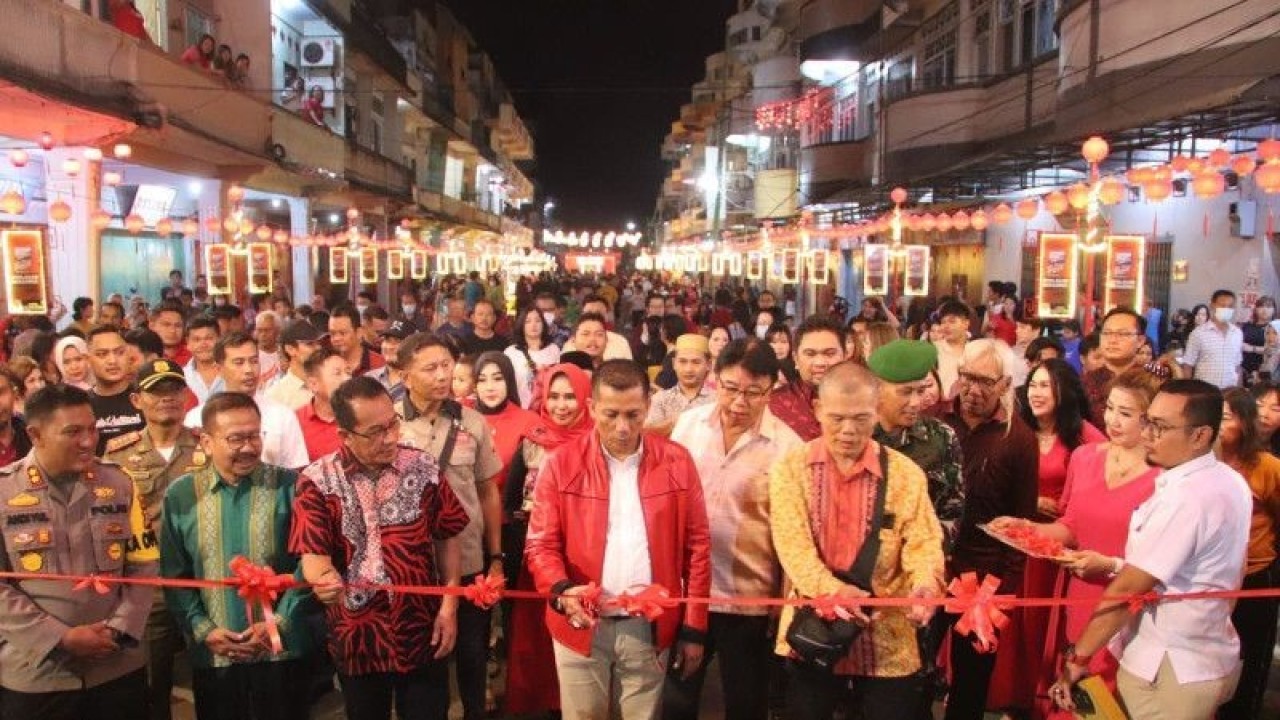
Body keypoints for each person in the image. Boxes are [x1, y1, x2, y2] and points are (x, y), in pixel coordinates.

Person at [1050, 380, 1251, 720]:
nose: (1148, 434)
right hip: (1206, 653)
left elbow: (1132, 587)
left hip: (1168, 666)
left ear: (1200, 436)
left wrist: (1078, 659)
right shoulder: (1226, 481)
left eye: (1160, 426)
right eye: (1148, 421)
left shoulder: (1186, 498)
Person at [525, 359, 711, 720]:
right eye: (611, 414)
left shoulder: (677, 462)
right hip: (580, 623)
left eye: (633, 415)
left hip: (649, 624)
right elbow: (541, 544)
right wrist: (562, 590)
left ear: (647, 409)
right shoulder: (562, 463)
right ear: (592, 408)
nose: (623, 428)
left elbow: (698, 548)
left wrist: (695, 627)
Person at [770, 361, 945, 720]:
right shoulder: (790, 469)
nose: (848, 430)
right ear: (818, 409)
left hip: (888, 635)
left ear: (877, 410)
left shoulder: (906, 475)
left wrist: (926, 584)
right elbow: (792, 546)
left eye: (861, 419)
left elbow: (923, 542)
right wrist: (831, 590)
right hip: (817, 628)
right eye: (836, 418)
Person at [290, 377, 470, 720]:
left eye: (392, 425)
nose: (389, 438)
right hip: (357, 636)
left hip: (422, 627)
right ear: (345, 435)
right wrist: (324, 582)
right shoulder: (316, 482)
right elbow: (314, 560)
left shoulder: (423, 467)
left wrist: (449, 607)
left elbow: (447, 537)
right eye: (374, 432)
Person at [663, 340, 803, 720]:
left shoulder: (788, 448)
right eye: (730, 388)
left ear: (771, 388)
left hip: (749, 596)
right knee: (677, 698)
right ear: (716, 380)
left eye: (753, 393)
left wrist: (784, 601)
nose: (739, 402)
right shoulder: (690, 425)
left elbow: (793, 534)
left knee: (745, 702)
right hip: (689, 590)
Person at [0, 384, 157, 719]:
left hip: (117, 665)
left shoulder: (120, 484)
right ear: (36, 434)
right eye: (73, 432)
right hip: (37, 672)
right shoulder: (3, 492)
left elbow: (144, 565)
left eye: (92, 430)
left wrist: (119, 628)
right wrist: (60, 638)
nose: (88, 441)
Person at [159, 392, 312, 720]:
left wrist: (280, 624)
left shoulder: (292, 487)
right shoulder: (181, 495)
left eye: (254, 435)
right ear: (206, 441)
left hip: (282, 654)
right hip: (215, 655)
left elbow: (308, 565)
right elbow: (175, 575)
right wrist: (203, 630)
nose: (248, 447)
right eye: (235, 438)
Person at [396, 334, 504, 720]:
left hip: (471, 559)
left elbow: (487, 491)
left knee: (474, 656)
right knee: (425, 664)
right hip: (413, 565)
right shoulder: (389, 423)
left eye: (447, 366)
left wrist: (496, 556)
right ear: (406, 375)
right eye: (430, 368)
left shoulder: (471, 422)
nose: (443, 375)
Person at [103, 358, 205, 720]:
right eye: (156, 392)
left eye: (175, 390)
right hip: (151, 588)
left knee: (212, 680)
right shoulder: (117, 454)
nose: (167, 399)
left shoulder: (205, 446)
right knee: (152, 685)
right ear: (136, 401)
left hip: (202, 582)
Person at [942, 339, 1038, 720]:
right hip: (932, 567)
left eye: (985, 381)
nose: (973, 389)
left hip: (983, 579)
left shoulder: (1018, 438)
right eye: (967, 377)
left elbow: (1022, 521)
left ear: (1005, 385)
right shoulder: (938, 422)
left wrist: (1003, 587)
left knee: (972, 679)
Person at [502, 363, 594, 717]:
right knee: (535, 641)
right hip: (538, 559)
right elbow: (511, 504)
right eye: (553, 396)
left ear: (586, 398)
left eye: (570, 396)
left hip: (584, 559)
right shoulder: (532, 442)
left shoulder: (598, 442)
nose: (561, 405)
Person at [1215, 387, 1280, 720]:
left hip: (1255, 575)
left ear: (1245, 423)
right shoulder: (1203, 463)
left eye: (1226, 417)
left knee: (1250, 658)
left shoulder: (1267, 467)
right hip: (1212, 578)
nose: (1218, 424)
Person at [184, 333, 309, 470]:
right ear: (219, 369)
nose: (249, 370)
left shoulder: (282, 415)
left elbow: (297, 469)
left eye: (254, 361)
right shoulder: (196, 418)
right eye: (239, 363)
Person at [769, 315, 846, 441]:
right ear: (795, 358)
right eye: (810, 354)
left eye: (829, 353)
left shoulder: (863, 401)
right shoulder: (774, 405)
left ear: (845, 355)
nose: (820, 362)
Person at [85, 325, 145, 455]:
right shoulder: (81, 405)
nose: (112, 361)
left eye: (120, 352)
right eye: (102, 354)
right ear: (87, 359)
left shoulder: (146, 398)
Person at [1082, 308, 1147, 427]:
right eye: (1107, 333)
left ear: (1140, 341)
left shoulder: (1150, 380)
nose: (1112, 340)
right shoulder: (1084, 382)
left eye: (1122, 334)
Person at [645, 333, 713, 436]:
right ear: (674, 364)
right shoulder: (661, 399)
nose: (688, 369)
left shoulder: (717, 400)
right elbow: (646, 435)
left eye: (696, 362)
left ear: (708, 365)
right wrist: (677, 421)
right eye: (682, 361)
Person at [297, 347, 352, 463]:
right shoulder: (295, 422)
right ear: (313, 384)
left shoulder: (361, 414)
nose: (347, 378)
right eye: (337, 373)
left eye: (348, 372)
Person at [1180, 289, 1244, 388]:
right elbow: (1188, 365)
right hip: (1205, 392)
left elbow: (1237, 366)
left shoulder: (1237, 333)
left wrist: (1239, 390)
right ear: (1212, 305)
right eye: (1222, 305)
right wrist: (1189, 391)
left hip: (1230, 392)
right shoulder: (1198, 333)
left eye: (1230, 306)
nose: (1226, 309)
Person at [505, 307, 561, 408]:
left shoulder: (554, 349)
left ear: (543, 324)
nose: (533, 325)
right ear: (521, 325)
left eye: (538, 320)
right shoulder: (511, 352)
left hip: (547, 408)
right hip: (520, 408)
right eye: (528, 321)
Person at [265, 320, 325, 410]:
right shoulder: (275, 395)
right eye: (310, 344)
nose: (318, 348)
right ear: (290, 349)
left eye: (318, 343)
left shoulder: (329, 384)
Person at [562, 295, 633, 360]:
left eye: (598, 313)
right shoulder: (570, 345)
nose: (594, 317)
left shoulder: (620, 342)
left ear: (607, 315)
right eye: (588, 313)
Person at [329, 304, 384, 377]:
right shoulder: (326, 364)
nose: (336, 338)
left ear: (359, 332)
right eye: (332, 333)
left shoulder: (379, 364)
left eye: (342, 333)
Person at [365, 320, 410, 404]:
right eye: (387, 340)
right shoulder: (369, 378)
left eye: (397, 341)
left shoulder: (418, 381)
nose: (389, 347)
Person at [182, 317, 222, 404]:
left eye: (209, 338)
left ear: (219, 339)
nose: (203, 344)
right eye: (197, 340)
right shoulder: (181, 376)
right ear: (188, 343)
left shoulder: (232, 370)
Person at [254, 310, 282, 387]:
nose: (263, 335)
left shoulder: (286, 353)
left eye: (267, 330)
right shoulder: (252, 355)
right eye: (259, 330)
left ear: (278, 330)